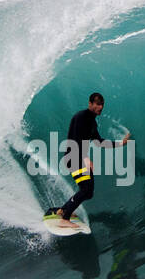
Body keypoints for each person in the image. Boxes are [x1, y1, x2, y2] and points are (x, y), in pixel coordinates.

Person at [47, 92, 130, 228]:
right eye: (97, 104)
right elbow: (76, 139)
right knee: (86, 190)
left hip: (78, 158)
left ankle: (63, 210)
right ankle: (65, 218)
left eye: (102, 104)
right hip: (73, 157)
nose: (100, 107)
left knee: (88, 192)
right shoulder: (81, 117)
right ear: (90, 104)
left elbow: (99, 142)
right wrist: (85, 158)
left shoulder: (92, 122)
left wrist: (121, 144)